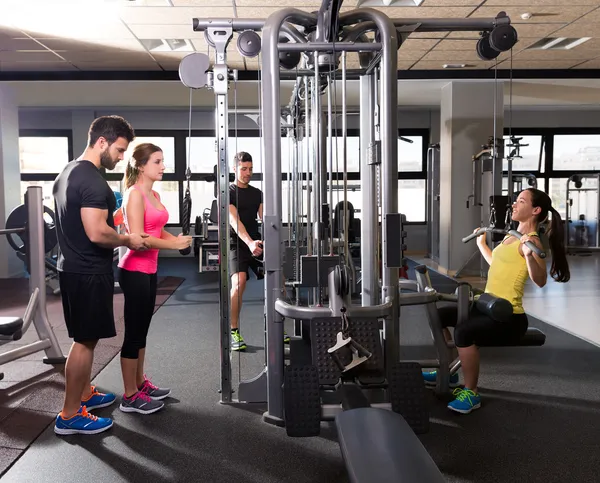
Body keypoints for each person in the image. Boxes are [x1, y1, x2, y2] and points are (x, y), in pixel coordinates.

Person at [423, 188, 571, 414]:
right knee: (439, 315)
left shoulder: (532, 243)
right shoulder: (512, 237)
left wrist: (531, 258)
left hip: (509, 316)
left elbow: (540, 280)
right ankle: (448, 370)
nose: (514, 204)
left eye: (521, 201)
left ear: (535, 210)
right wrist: (482, 244)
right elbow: (498, 264)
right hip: (488, 305)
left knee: (464, 332)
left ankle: (471, 392)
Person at [53, 116, 149, 435]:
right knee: (84, 342)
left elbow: (82, 223)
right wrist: (127, 238)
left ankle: (85, 393)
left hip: (72, 268)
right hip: (88, 272)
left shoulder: (68, 171)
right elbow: (96, 233)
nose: (121, 157)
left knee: (85, 339)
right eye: (120, 150)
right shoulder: (92, 180)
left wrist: (114, 218)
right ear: (102, 142)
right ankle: (69, 415)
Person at [117, 143, 192, 414]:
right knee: (134, 333)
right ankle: (129, 396)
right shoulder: (134, 194)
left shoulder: (155, 193)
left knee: (143, 332)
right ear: (141, 165)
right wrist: (173, 246)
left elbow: (159, 231)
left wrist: (181, 240)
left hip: (149, 271)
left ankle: (140, 384)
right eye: (157, 162)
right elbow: (139, 239)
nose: (163, 167)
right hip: (133, 270)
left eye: (163, 161)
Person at [228, 151, 264, 351]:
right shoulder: (228, 192)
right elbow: (235, 221)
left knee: (280, 279)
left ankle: (279, 328)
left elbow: (265, 217)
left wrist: (267, 240)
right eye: (244, 169)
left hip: (256, 241)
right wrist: (250, 243)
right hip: (237, 242)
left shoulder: (257, 193)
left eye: (250, 169)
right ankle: (233, 330)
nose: (248, 172)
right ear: (235, 169)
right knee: (239, 281)